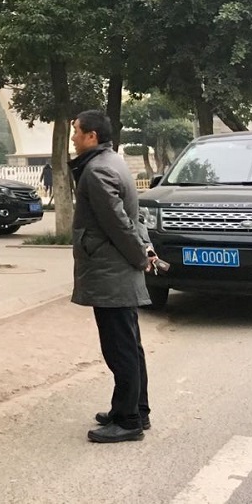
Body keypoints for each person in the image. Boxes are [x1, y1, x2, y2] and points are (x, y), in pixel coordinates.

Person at [69, 110, 157, 444]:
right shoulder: (112, 161)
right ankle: (136, 409)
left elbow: (118, 223)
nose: (73, 138)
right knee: (129, 344)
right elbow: (132, 218)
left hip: (111, 270)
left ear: (91, 136)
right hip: (116, 268)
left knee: (119, 348)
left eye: (76, 131)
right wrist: (143, 251)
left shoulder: (97, 170)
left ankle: (128, 420)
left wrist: (139, 256)